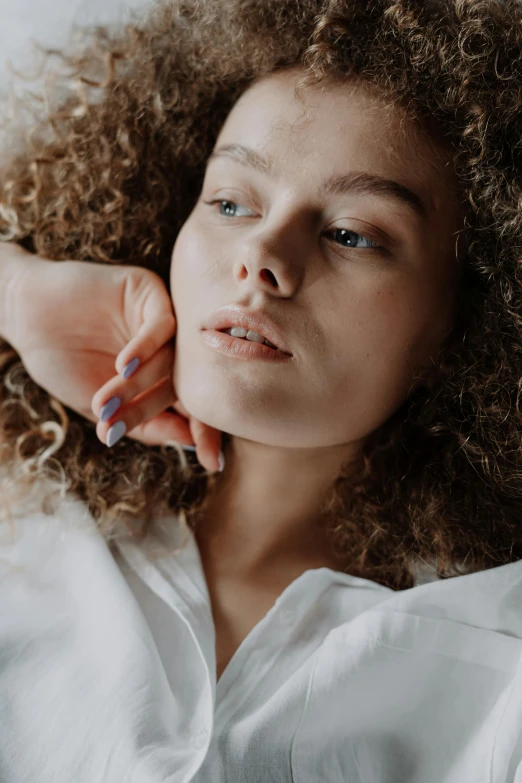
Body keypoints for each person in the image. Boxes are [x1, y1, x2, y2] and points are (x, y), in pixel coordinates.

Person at [0, 0, 521, 780]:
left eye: (352, 233)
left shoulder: (495, 662)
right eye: (231, 202)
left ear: (468, 319)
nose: (261, 255)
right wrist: (17, 291)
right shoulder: (25, 514)